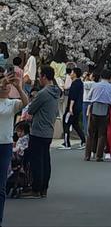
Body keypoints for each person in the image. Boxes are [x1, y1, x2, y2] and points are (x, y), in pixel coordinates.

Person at [25, 65, 61, 198]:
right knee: (45, 159)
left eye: (40, 75)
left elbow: (31, 109)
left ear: (44, 76)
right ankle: (44, 188)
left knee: (36, 161)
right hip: (48, 130)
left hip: (38, 130)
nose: (39, 78)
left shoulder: (43, 93)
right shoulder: (56, 92)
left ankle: (36, 188)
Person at [0, 69, 27, 221]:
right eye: (2, 86)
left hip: (5, 146)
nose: (4, 88)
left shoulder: (12, 104)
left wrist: (18, 87)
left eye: (6, 86)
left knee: (1, 186)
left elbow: (25, 102)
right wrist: (3, 81)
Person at [86, 69, 111, 161]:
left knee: (91, 133)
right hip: (105, 110)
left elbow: (89, 97)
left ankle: (87, 155)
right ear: (110, 77)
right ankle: (99, 156)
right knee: (102, 134)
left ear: (101, 76)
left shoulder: (95, 85)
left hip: (94, 109)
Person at [62, 67, 85, 149]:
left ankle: (66, 143)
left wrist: (70, 108)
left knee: (66, 122)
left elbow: (73, 97)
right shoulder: (80, 83)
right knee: (75, 124)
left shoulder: (75, 84)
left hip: (73, 107)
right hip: (78, 107)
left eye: (71, 72)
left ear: (75, 73)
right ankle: (83, 140)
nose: (70, 74)